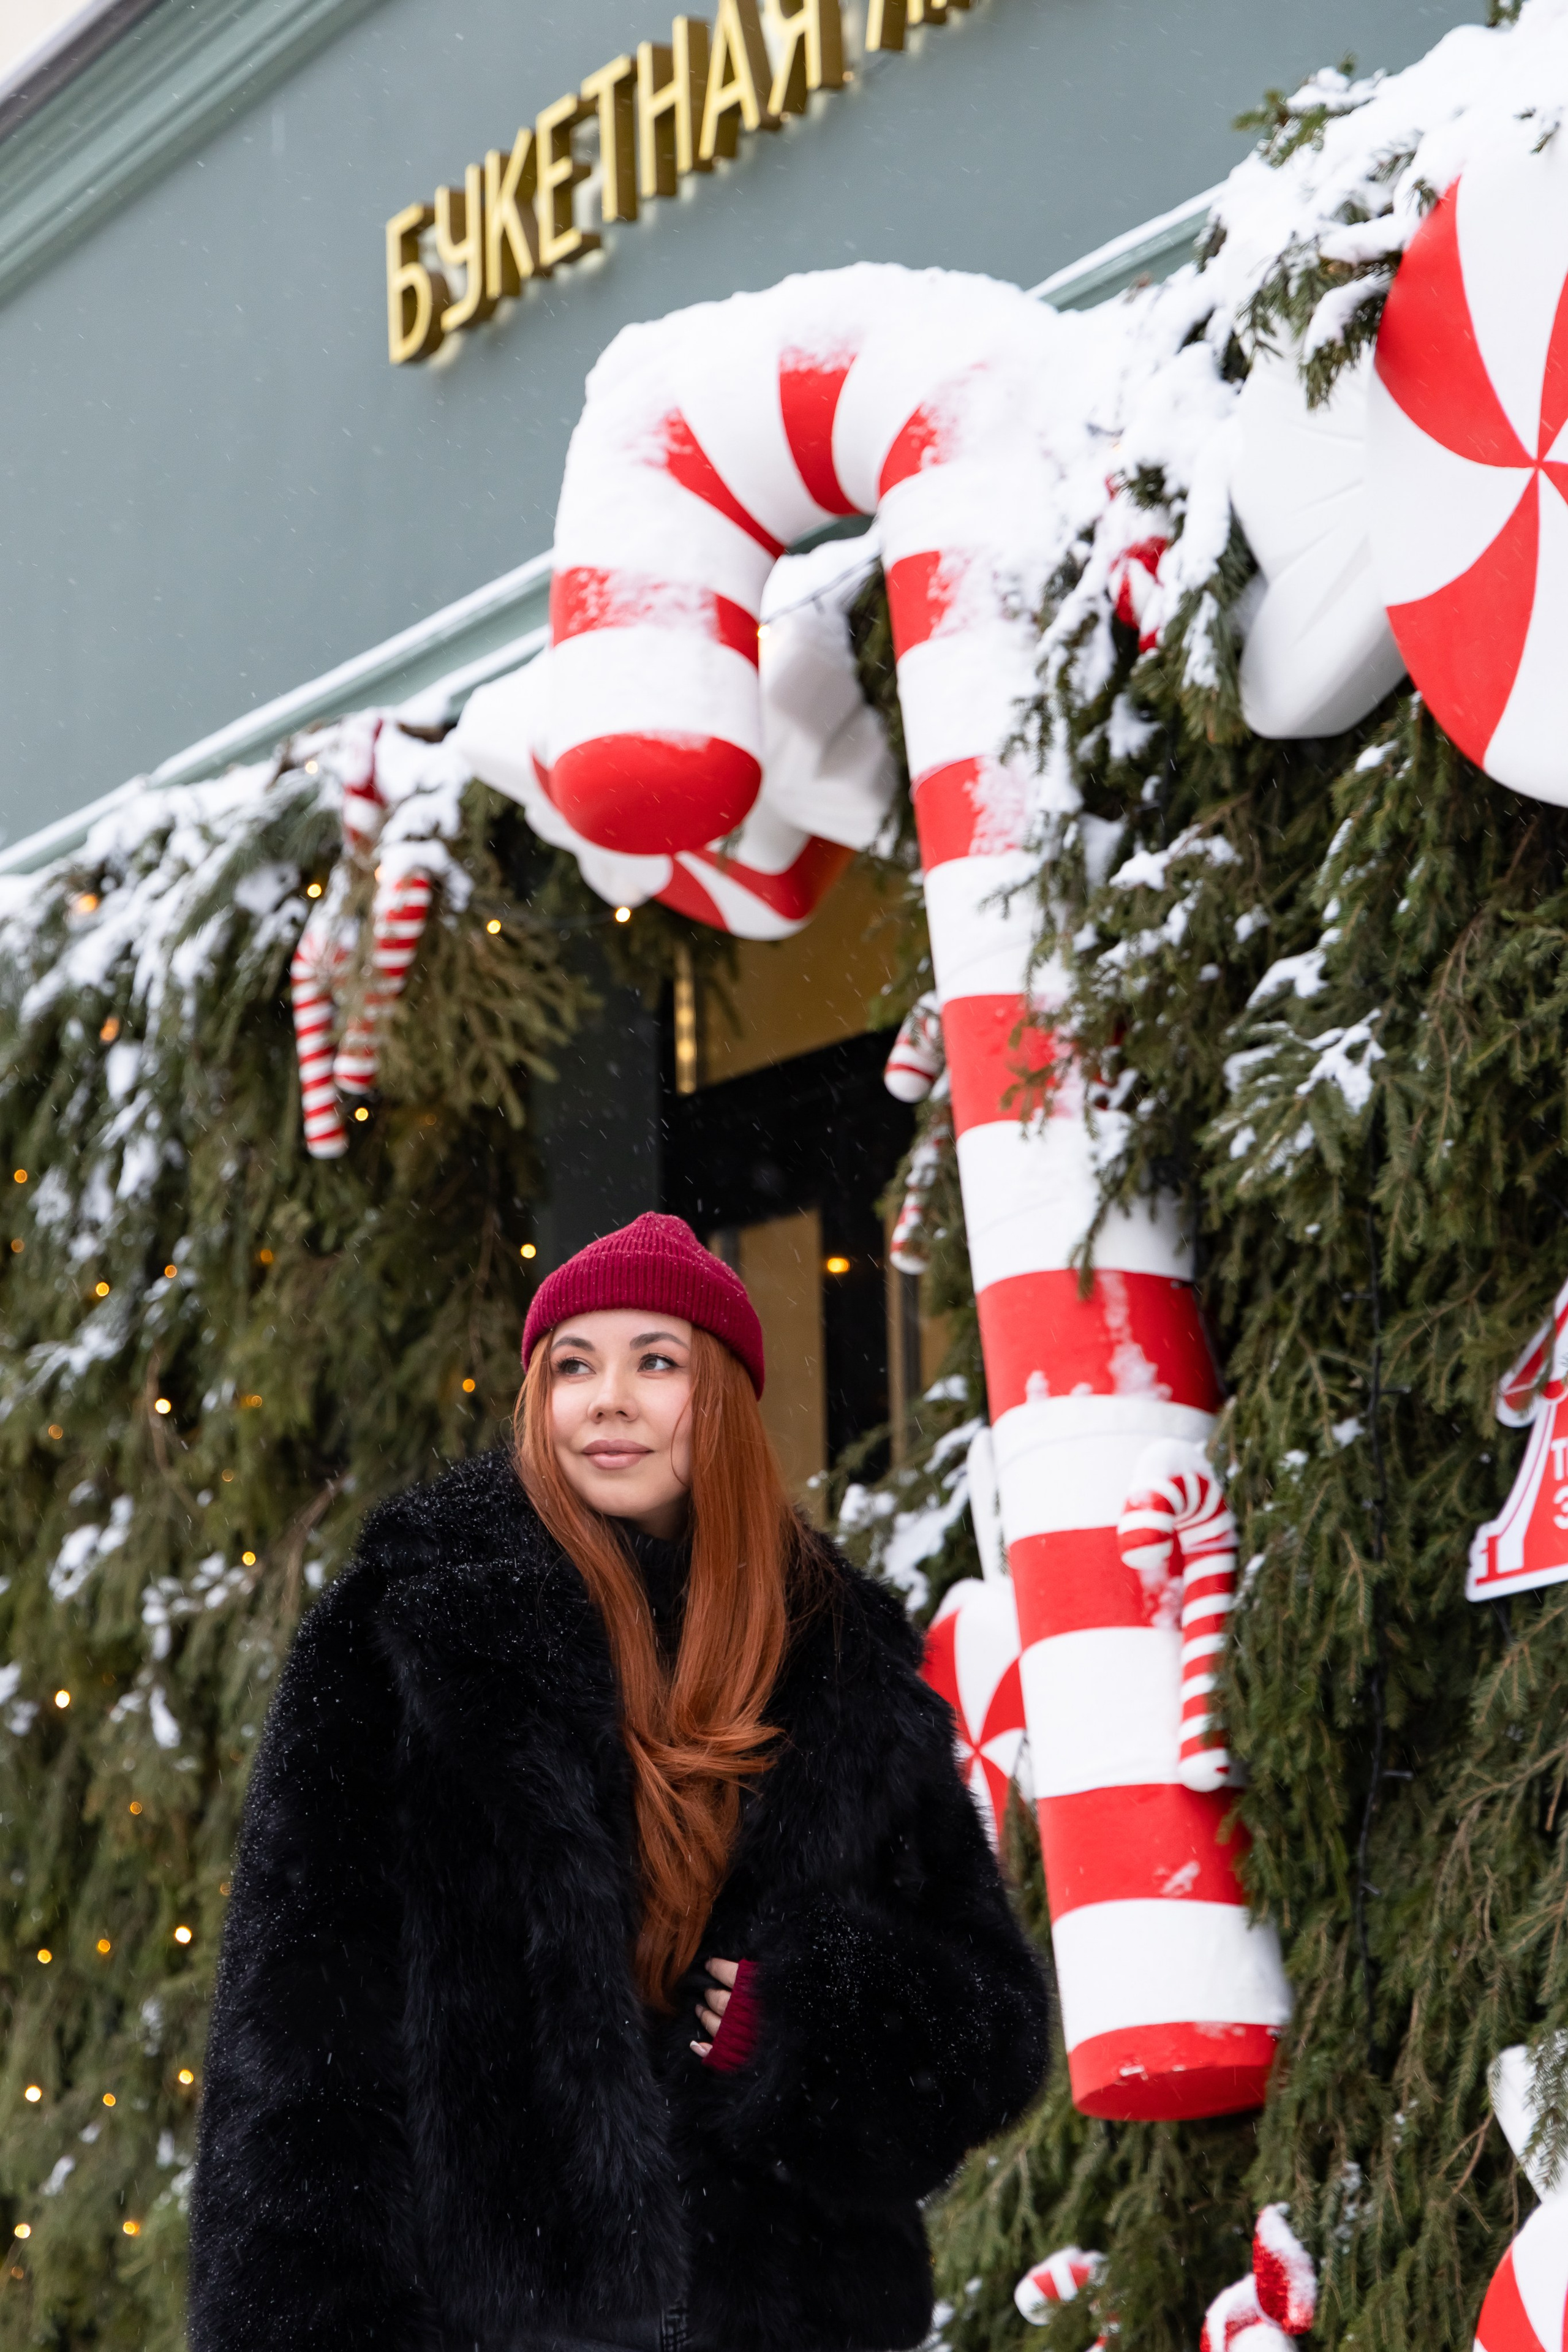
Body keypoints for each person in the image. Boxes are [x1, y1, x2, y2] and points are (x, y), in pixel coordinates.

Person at [187, 1212, 1050, 2352]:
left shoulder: (844, 1670)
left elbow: (988, 2038)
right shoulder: (406, 1636)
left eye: (657, 1362)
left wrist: (800, 2018)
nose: (609, 1400)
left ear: (727, 1405)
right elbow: (294, 2040)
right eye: (575, 1366)